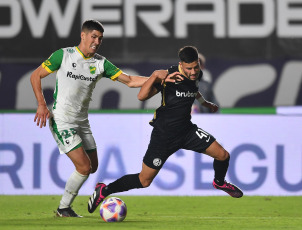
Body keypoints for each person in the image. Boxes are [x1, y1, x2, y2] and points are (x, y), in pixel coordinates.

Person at [30, 19, 167, 217]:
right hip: (62, 120)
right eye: (93, 36)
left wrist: (157, 79)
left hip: (82, 122)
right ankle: (63, 208)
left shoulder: (100, 63)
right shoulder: (64, 55)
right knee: (84, 167)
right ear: (83, 35)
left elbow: (129, 81)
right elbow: (36, 75)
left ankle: (68, 204)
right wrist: (42, 104)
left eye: (100, 38)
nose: (97, 41)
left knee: (92, 168)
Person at [87, 46, 243, 214]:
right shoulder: (168, 77)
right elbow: (142, 96)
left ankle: (219, 182)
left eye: (195, 67)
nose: (192, 72)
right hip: (164, 136)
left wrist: (206, 103)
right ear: (180, 65)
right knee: (144, 181)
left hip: (187, 131)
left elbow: (194, 90)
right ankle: (105, 190)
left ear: (198, 63)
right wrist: (155, 76)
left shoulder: (197, 75)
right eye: (188, 68)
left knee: (223, 155)